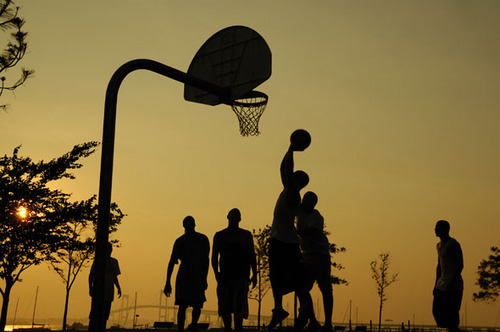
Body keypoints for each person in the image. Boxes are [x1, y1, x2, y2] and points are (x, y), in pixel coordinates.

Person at [268, 143, 318, 331]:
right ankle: (281, 309)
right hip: (282, 241)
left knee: (296, 282)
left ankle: (305, 313)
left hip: (284, 243)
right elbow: (284, 169)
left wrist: (292, 148)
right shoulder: (288, 190)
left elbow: (286, 169)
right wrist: (289, 149)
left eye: (293, 176)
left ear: (297, 181)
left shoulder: (293, 194)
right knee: (281, 278)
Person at [212, 208, 257, 332]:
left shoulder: (246, 235)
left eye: (237, 215)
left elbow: (252, 255)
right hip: (225, 276)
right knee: (225, 308)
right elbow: (214, 257)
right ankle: (228, 328)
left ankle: (237, 329)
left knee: (239, 309)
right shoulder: (220, 235)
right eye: (233, 215)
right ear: (227, 217)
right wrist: (217, 274)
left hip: (241, 276)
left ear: (240, 219)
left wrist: (255, 274)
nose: (235, 217)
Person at [164, 216, 210, 332]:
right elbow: (171, 262)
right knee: (184, 305)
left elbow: (206, 261)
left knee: (196, 304)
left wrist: (204, 278)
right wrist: (167, 282)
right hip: (186, 276)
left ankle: (193, 325)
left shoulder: (201, 239)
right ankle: (183, 328)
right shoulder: (182, 241)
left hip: (196, 275)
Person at [296, 192, 333, 332]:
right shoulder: (299, 209)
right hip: (307, 255)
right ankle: (312, 320)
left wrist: (296, 232)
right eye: (305, 200)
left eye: (310, 201)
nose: (306, 203)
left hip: (320, 255)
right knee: (302, 288)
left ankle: (328, 323)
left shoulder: (316, 217)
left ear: (313, 204)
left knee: (325, 288)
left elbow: (312, 232)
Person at [433, 220, 464, 332]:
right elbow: (439, 265)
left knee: (452, 312)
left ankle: (454, 329)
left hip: (453, 284)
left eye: (438, 227)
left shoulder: (453, 244)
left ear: (445, 229)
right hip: (441, 283)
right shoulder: (439, 246)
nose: (435, 229)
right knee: (437, 310)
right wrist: (436, 284)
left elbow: (460, 265)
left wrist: (451, 283)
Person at [89, 242, 122, 328]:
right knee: (95, 313)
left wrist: (118, 287)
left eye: (110, 249)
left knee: (106, 313)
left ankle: (102, 327)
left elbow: (114, 277)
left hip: (109, 291)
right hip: (98, 291)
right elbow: (91, 275)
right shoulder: (97, 261)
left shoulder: (114, 261)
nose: (109, 250)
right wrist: (90, 288)